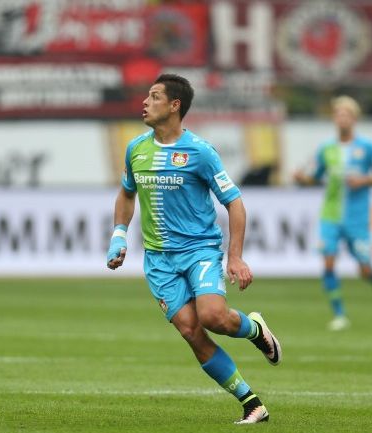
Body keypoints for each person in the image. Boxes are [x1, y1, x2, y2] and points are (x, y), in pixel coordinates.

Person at [106, 74, 281, 425]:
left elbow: (234, 203)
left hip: (199, 250)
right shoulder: (136, 148)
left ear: (175, 106)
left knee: (214, 317)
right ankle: (251, 403)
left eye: (154, 97)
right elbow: (127, 193)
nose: (145, 102)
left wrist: (234, 256)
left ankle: (254, 329)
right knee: (190, 330)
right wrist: (119, 234)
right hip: (158, 260)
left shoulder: (200, 152)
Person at [293, 96, 372, 331]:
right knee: (328, 262)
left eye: (346, 114)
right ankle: (339, 314)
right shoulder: (326, 148)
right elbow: (314, 177)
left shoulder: (366, 147)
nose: (342, 118)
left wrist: (365, 179)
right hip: (330, 215)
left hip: (357, 217)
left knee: (364, 268)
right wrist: (301, 178)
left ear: (354, 119)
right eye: (338, 114)